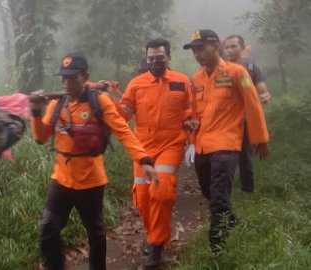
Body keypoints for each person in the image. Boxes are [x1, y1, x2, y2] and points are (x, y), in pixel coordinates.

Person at [29, 52, 158, 270]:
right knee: (48, 227)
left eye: (73, 77)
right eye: (64, 78)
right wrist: (35, 111)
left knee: (95, 232)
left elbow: (123, 131)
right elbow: (41, 138)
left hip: (91, 181)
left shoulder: (100, 102)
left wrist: (144, 159)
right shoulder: (56, 105)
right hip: (61, 179)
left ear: (85, 76)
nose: (67, 82)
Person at [182, 30, 270, 252]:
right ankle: (230, 220)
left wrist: (260, 139)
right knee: (208, 191)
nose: (197, 54)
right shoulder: (197, 78)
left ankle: (217, 250)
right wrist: (191, 136)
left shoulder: (237, 72)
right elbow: (195, 113)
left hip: (227, 144)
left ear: (215, 46)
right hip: (203, 144)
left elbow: (253, 106)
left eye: (201, 48)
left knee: (219, 196)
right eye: (194, 50)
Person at [119, 39, 193, 269]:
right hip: (142, 147)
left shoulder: (181, 81)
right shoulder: (137, 84)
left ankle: (156, 244)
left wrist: (192, 139)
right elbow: (122, 114)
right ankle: (154, 236)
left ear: (168, 58)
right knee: (142, 198)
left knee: (161, 190)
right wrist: (102, 100)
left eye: (159, 58)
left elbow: (190, 111)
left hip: (171, 144)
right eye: (150, 59)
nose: (154, 62)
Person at [223, 34, 272, 193]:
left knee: (245, 157)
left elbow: (261, 88)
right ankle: (223, 190)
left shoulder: (250, 68)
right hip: (224, 121)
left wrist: (264, 95)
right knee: (223, 157)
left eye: (233, 46)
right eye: (227, 47)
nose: (229, 50)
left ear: (242, 48)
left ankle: (247, 191)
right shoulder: (220, 68)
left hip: (244, 120)